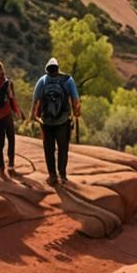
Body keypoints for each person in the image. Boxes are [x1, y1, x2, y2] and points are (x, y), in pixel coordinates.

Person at [32, 57, 81, 187]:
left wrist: (34, 116)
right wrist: (77, 113)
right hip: (63, 121)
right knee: (63, 148)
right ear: (58, 68)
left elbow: (36, 100)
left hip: (46, 121)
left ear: (47, 70)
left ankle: (52, 176)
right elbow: (76, 101)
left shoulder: (42, 81)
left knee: (49, 149)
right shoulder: (68, 80)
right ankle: (63, 175)